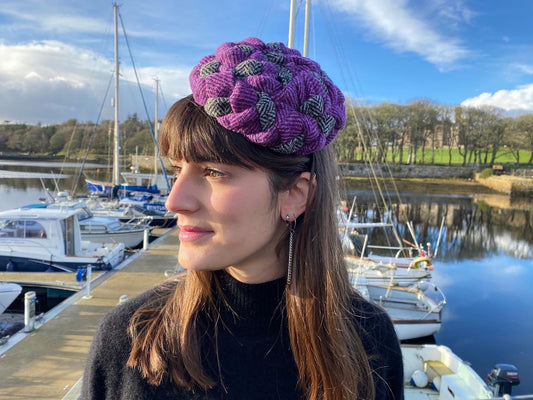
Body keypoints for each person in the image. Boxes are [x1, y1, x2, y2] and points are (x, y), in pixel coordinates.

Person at [81, 37, 404, 400]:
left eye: (214, 172)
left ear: (295, 195)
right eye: (176, 171)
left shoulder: (369, 343)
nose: (175, 201)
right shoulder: (130, 342)